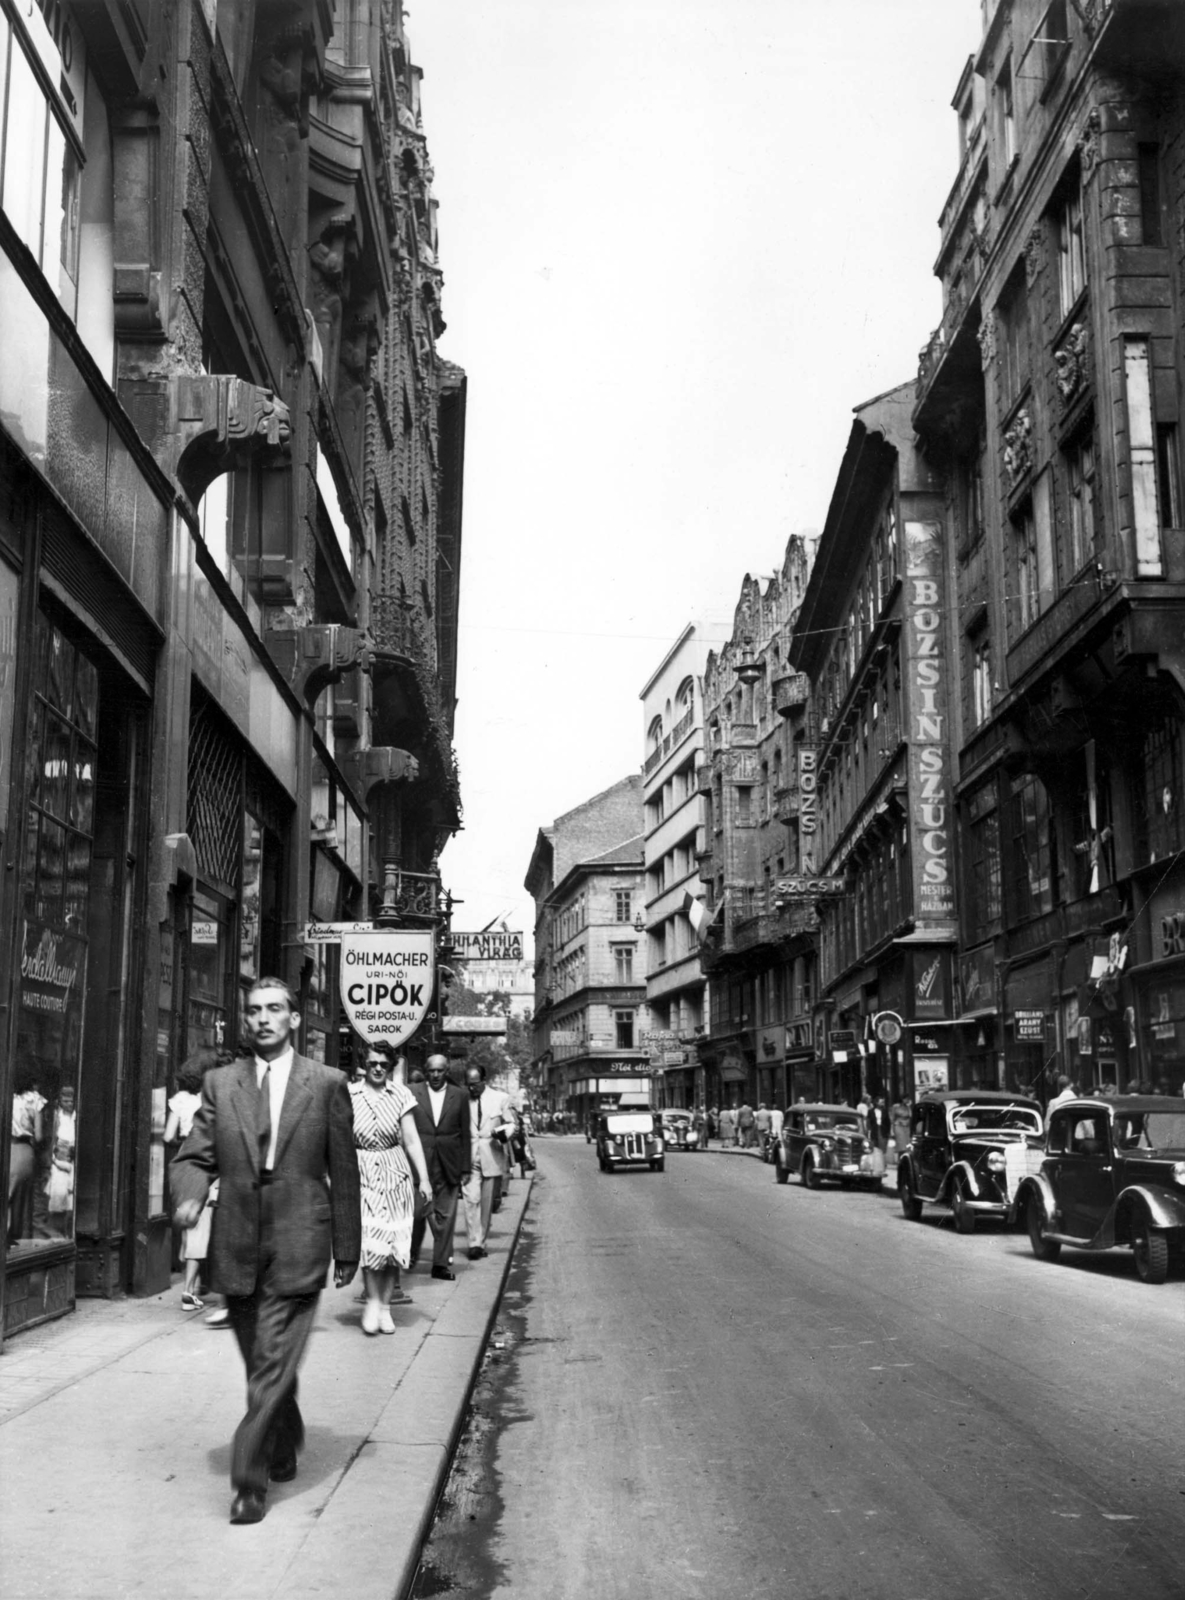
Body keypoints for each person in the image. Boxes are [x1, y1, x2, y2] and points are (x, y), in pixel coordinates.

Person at [170, 976, 360, 1526]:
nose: (263, 1019)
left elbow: (343, 1170)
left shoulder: (326, 1083)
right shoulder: (219, 1083)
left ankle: (248, 1482)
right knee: (263, 1361)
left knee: (271, 1363)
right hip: (236, 1241)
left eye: (275, 1009)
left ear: (295, 1019)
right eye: (254, 1010)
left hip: (301, 1238)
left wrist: (347, 1245)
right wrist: (186, 1198)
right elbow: (192, 1157)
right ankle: (285, 1435)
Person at [349, 1042, 432, 1334]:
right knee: (370, 1241)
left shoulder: (401, 1094)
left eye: (384, 1064)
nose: (378, 1068)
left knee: (394, 1244)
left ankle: (385, 1307)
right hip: (362, 1172)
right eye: (373, 1063)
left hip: (395, 1171)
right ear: (365, 1064)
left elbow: (410, 1139)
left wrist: (424, 1178)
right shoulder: (350, 1094)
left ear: (391, 1065)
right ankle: (372, 1302)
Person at [408, 1055, 472, 1281]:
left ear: (447, 1072)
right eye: (431, 1071)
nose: (435, 1075)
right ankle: (411, 1251)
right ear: (426, 1071)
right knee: (416, 1213)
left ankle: (440, 1264)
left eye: (440, 1071)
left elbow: (465, 1133)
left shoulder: (461, 1095)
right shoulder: (412, 1091)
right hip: (419, 1165)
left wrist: (465, 1168)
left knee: (446, 1217)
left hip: (449, 1164)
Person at [164, 1051, 219, 1309]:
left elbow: (166, 1137)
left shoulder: (179, 1100)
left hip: (182, 1161)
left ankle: (196, 1284)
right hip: (205, 1162)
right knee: (201, 1222)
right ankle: (191, 1289)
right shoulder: (208, 1101)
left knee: (188, 1223)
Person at [461, 1063, 515, 1260]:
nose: (471, 1088)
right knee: (470, 1200)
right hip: (468, 1158)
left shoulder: (500, 1099)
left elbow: (511, 1124)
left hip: (491, 1155)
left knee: (485, 1204)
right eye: (468, 1084)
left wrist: (503, 1133)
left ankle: (481, 1241)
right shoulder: (462, 1099)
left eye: (475, 1084)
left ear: (484, 1081)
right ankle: (473, 1243)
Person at [8, 1065, 47, 1247]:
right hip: (25, 1151)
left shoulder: (10, 1096)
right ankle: (19, 1240)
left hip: (8, 1148)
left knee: (7, 1194)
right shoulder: (35, 1100)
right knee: (23, 1200)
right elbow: (38, 1136)